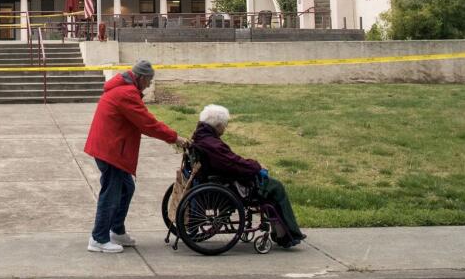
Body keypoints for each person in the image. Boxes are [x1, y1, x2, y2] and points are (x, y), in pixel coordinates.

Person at [83, 60, 188, 253]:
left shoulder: (124, 89)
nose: (149, 85)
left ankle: (116, 230)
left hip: (110, 147)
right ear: (140, 78)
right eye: (148, 80)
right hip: (111, 150)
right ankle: (98, 238)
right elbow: (148, 124)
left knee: (126, 188)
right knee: (111, 193)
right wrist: (175, 138)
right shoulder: (127, 94)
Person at [190, 104, 307, 248]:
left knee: (271, 186)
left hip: (215, 179)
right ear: (218, 125)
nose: (225, 129)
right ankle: (288, 235)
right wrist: (256, 166)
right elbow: (233, 163)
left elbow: (231, 161)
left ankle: (281, 232)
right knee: (276, 187)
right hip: (229, 184)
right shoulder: (212, 144)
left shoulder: (201, 137)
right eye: (225, 125)